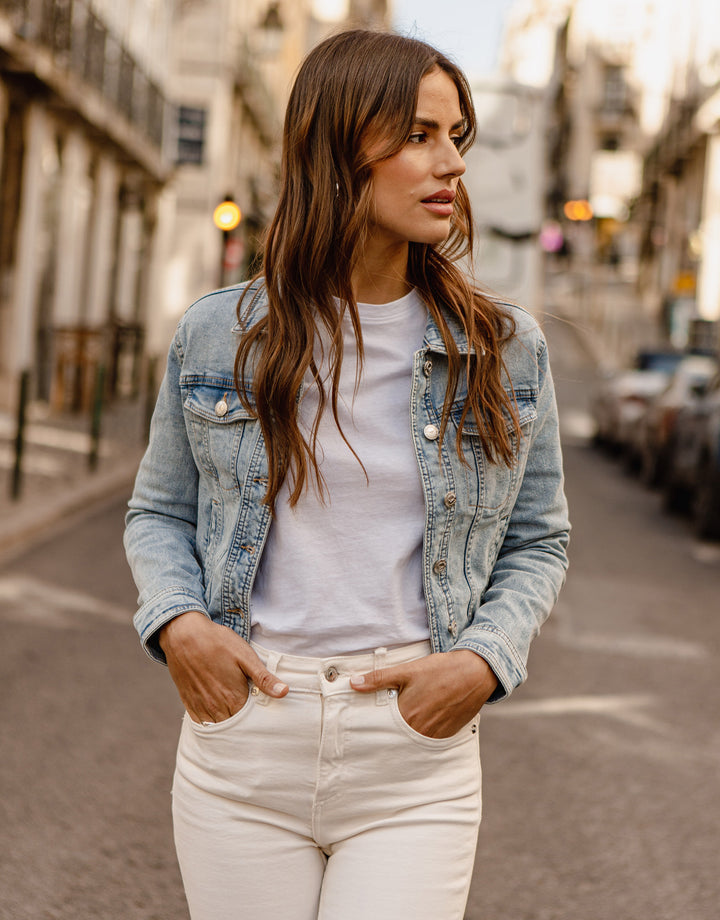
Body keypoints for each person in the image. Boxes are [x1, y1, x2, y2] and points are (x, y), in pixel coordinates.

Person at [124, 29, 570, 920]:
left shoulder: (502, 347)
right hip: (247, 741)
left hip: (413, 753)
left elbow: (539, 538)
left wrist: (482, 661)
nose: (451, 163)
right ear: (337, 148)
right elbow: (158, 511)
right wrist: (179, 625)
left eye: (456, 136)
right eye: (418, 135)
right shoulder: (218, 334)